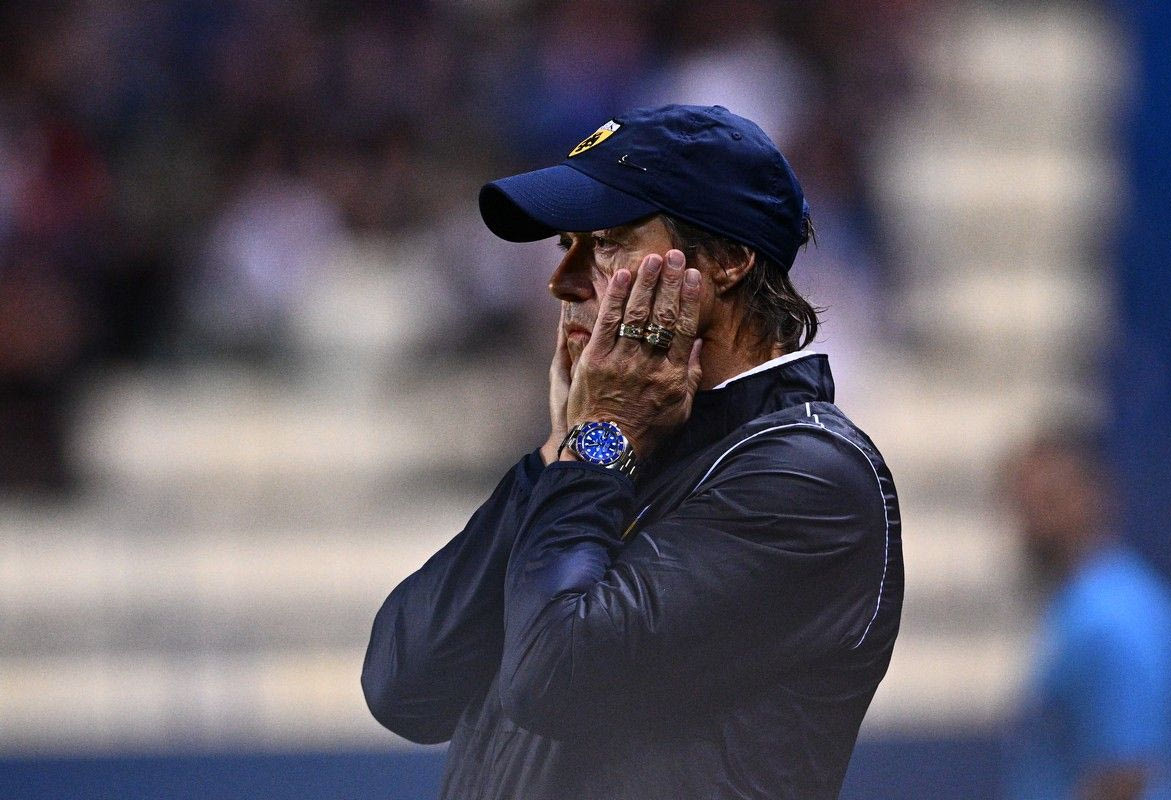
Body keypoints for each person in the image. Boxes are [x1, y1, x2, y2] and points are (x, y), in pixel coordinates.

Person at [362, 104, 903, 799]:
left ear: (729, 260)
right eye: (567, 245)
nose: (563, 281)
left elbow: (555, 676)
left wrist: (601, 435)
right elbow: (404, 686)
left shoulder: (811, 478)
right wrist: (557, 453)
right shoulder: (613, 448)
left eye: (608, 242)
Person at [1003, 428, 1171, 800]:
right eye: (1021, 505)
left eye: (1049, 501)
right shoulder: (1078, 606)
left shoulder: (1116, 618)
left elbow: (1125, 775)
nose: (1031, 522)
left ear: (1091, 497)